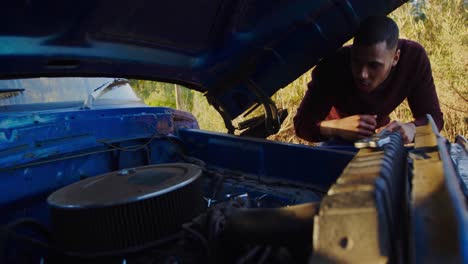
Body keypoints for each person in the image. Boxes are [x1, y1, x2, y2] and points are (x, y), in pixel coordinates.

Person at [293, 16, 443, 144]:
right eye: (356, 62)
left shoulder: (413, 59)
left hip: (378, 139)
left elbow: (434, 119)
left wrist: (412, 128)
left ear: (395, 58)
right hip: (334, 140)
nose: (362, 74)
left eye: (373, 65)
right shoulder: (333, 65)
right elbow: (302, 126)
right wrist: (336, 127)